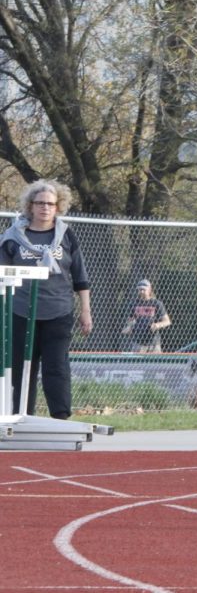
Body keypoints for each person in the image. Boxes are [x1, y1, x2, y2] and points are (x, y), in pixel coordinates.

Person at [0, 179, 93, 420]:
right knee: (20, 369)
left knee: (56, 367)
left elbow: (80, 277)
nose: (45, 208)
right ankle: (20, 416)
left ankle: (60, 418)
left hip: (58, 311)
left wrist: (85, 310)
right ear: (30, 205)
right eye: (40, 203)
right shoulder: (12, 237)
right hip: (20, 311)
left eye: (50, 204)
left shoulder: (67, 236)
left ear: (58, 206)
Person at [122, 279, 172, 353]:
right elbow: (130, 319)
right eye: (139, 290)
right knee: (138, 364)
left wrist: (157, 325)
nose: (141, 292)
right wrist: (129, 327)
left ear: (149, 290)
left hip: (154, 342)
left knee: (156, 364)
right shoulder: (134, 304)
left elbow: (167, 321)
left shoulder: (157, 303)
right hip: (138, 342)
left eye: (143, 289)